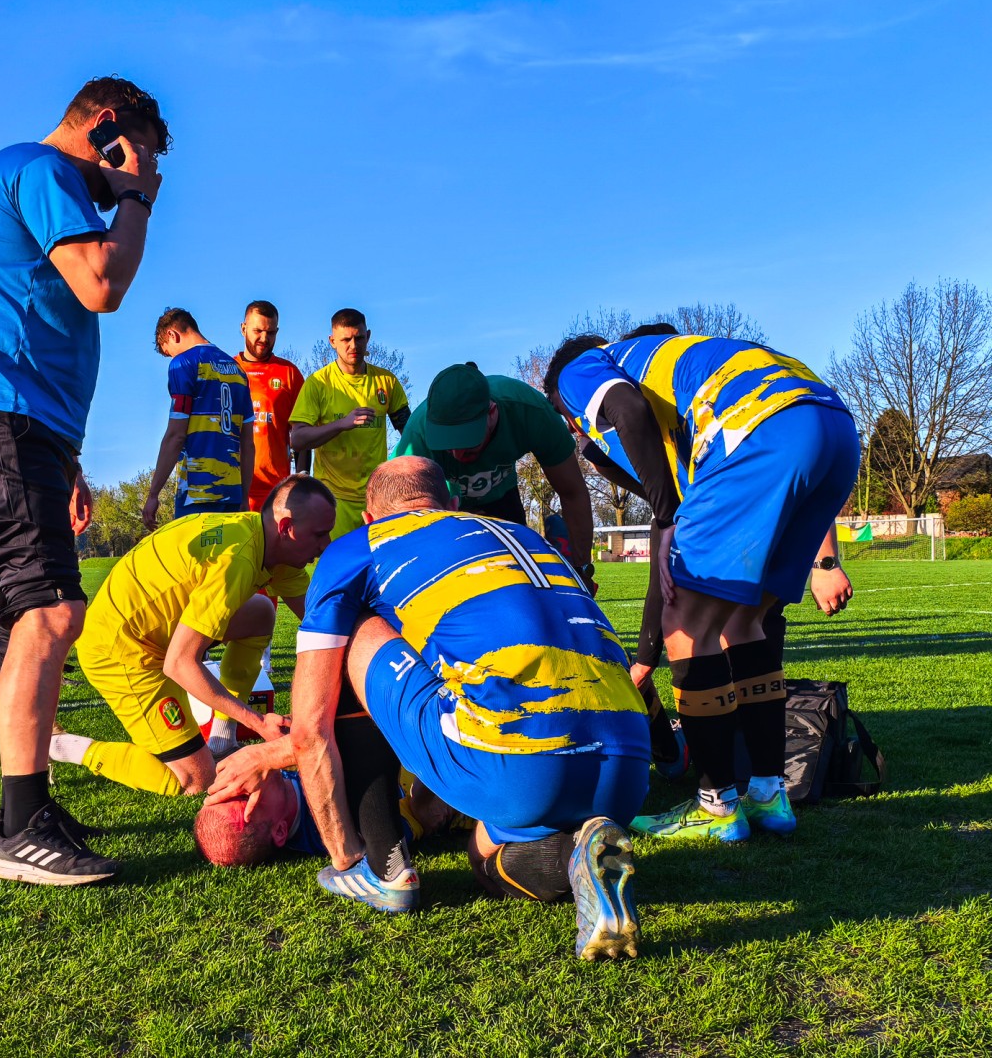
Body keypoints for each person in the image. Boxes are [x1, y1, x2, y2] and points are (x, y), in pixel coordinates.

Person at [212, 457, 651, 958]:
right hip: (628, 768)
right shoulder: (522, 534)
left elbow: (312, 728)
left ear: (370, 518)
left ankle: (382, 870)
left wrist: (340, 855)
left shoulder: (361, 546)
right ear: (452, 505)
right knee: (484, 856)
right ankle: (578, 852)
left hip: (517, 763)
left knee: (350, 633)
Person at [0, 76, 169, 885]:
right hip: (1, 418)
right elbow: (103, 284)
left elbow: (36, 315)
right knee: (51, 610)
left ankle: (22, 809)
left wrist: (69, 461)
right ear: (106, 128)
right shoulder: (45, 169)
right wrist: (136, 198)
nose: (141, 173)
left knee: (29, 616)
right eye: (137, 153)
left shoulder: (25, 174)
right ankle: (20, 827)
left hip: (21, 426)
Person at [543, 324, 860, 842]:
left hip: (760, 430)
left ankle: (716, 805)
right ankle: (768, 793)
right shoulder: (673, 375)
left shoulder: (580, 370)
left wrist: (666, 517)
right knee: (744, 623)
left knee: (687, 623)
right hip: (834, 426)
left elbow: (627, 411)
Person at [48, 475, 335, 808]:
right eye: (319, 534)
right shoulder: (237, 560)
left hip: (160, 635)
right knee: (195, 780)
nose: (326, 545)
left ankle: (222, 739)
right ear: (286, 528)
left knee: (260, 613)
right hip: (120, 650)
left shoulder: (271, 545)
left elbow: (321, 627)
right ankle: (62, 746)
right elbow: (180, 663)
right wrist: (257, 722)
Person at [394, 362, 596, 575]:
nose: (457, 454)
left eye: (467, 440)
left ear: (491, 413)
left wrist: (581, 568)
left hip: (502, 496)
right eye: (446, 442)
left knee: (518, 570)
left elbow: (573, 492)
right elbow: (399, 519)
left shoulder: (530, 411)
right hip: (445, 505)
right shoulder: (416, 437)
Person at [196, 763, 465, 868]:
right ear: (279, 831)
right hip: (441, 780)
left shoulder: (276, 786)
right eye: (243, 799)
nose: (237, 787)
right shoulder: (334, 826)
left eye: (223, 794)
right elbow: (418, 816)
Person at [289, 309, 410, 540]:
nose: (353, 346)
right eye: (345, 340)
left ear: (368, 336)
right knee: (334, 561)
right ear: (332, 341)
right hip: (333, 498)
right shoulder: (318, 383)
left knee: (380, 560)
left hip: (377, 496)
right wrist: (341, 424)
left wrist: (400, 473)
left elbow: (410, 431)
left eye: (359, 338)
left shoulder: (387, 381)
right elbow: (297, 439)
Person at [142, 307, 253, 529]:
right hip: (232, 493)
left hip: (197, 492)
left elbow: (176, 435)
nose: (172, 358)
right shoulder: (238, 371)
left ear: (172, 335)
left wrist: (153, 494)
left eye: (169, 353)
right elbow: (248, 443)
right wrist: (244, 496)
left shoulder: (183, 364)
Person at [234, 301, 305, 513]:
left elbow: (302, 434)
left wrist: (301, 482)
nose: (264, 338)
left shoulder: (289, 373)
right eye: (258, 331)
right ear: (243, 328)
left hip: (276, 492)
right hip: (233, 489)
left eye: (271, 332)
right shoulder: (228, 371)